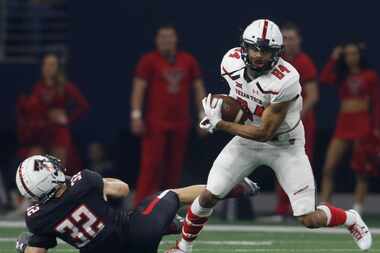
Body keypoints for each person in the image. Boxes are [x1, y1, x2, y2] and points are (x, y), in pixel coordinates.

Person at [167, 19, 372, 253]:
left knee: (308, 218)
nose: (258, 55)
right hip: (246, 140)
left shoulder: (286, 80)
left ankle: (350, 218)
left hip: (285, 146)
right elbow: (240, 100)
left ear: (277, 53)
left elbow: (265, 132)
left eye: (265, 50)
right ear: (244, 47)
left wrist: (221, 124)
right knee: (209, 195)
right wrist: (221, 109)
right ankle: (183, 247)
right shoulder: (231, 61)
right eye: (254, 48)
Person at [15, 155, 259, 253]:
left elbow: (37, 252)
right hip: (137, 233)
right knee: (170, 195)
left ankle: (172, 225)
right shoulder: (84, 181)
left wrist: (24, 246)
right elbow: (121, 189)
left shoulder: (36, 218)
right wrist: (96, 185)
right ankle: (229, 188)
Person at [131, 25, 207, 206]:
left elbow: (198, 88)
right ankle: (140, 206)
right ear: (157, 40)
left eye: (169, 37)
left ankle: (167, 206)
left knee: (174, 168)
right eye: (162, 37)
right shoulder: (148, 61)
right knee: (151, 166)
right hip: (155, 123)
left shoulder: (188, 61)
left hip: (180, 122)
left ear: (176, 39)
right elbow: (139, 88)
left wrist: (203, 115)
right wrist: (136, 115)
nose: (166, 40)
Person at [319, 42, 380, 214]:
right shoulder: (342, 75)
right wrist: (334, 57)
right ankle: (325, 206)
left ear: (360, 55)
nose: (351, 57)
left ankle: (357, 208)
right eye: (347, 54)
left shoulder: (370, 75)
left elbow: (376, 103)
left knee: (361, 170)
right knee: (329, 167)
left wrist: (376, 129)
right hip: (343, 125)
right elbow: (324, 79)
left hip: (363, 125)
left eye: (354, 53)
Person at [269, 22, 319, 220]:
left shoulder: (304, 61)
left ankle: (301, 208)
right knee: (279, 162)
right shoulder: (275, 61)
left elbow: (313, 96)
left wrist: (295, 115)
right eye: (285, 38)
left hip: (302, 124)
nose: (288, 42)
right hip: (280, 123)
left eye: (292, 38)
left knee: (301, 164)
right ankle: (282, 209)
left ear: (299, 40)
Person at [30, 53, 89, 175]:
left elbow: (83, 105)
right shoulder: (38, 87)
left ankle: (58, 192)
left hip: (59, 132)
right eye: (45, 64)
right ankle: (37, 191)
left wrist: (67, 118)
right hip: (42, 132)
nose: (48, 67)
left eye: (52, 64)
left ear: (58, 68)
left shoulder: (64, 87)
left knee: (56, 169)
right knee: (37, 167)